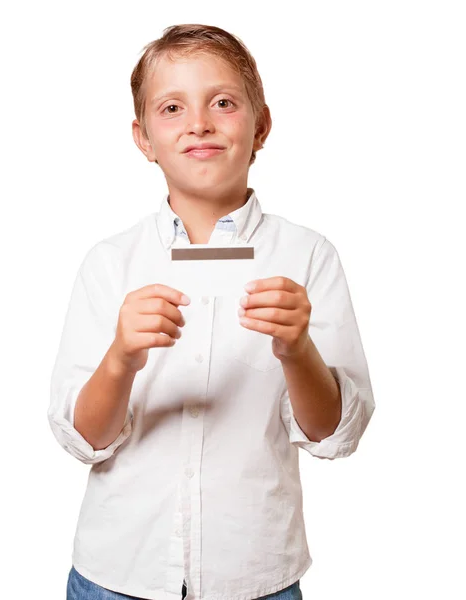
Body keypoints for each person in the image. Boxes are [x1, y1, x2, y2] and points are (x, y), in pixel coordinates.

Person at [48, 23, 375, 600]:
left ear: (261, 125)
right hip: (117, 573)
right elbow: (83, 438)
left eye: (223, 102)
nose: (199, 122)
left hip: (254, 576)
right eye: (172, 107)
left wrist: (298, 350)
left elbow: (333, 436)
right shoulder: (109, 263)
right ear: (143, 138)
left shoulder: (307, 257)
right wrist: (121, 358)